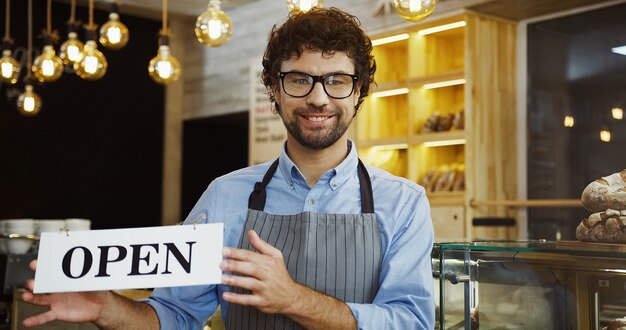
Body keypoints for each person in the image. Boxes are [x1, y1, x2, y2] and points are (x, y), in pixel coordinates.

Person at [22, 7, 435, 329]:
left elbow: (412, 323)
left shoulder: (403, 202)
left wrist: (292, 298)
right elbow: (175, 316)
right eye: (298, 80)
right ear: (275, 88)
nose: (318, 98)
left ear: (358, 89)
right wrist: (109, 308)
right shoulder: (226, 194)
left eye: (337, 81)